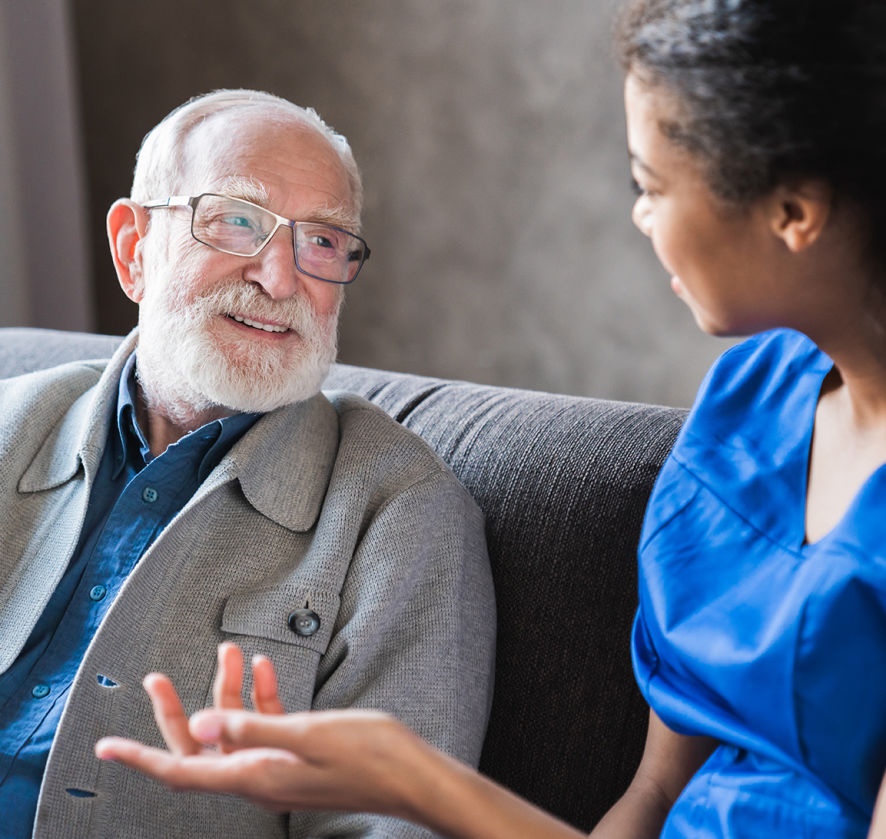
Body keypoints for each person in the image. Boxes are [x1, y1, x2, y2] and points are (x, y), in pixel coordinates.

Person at [95, 1, 886, 837]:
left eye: (649, 185)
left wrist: (418, 782)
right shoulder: (746, 403)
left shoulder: (393, 508)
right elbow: (653, 799)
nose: (640, 217)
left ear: (794, 213)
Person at [0, 89, 495, 838]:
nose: (281, 277)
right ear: (135, 248)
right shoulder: (8, 422)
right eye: (237, 221)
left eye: (323, 241)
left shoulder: (399, 513)